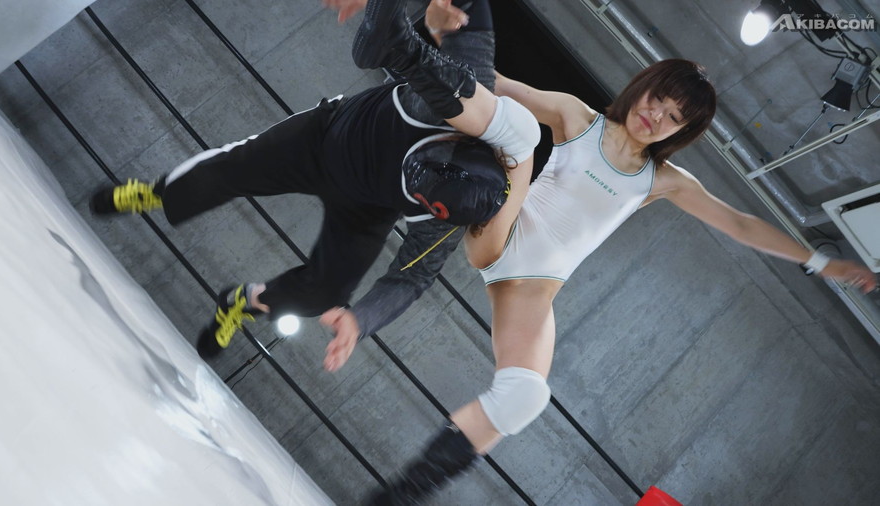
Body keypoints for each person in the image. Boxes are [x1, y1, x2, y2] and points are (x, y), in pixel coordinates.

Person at [325, 1, 880, 503]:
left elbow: (738, 222)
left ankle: (399, 496)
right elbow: (491, 83)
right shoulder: (579, 119)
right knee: (512, 127)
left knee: (524, 398)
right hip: (500, 232)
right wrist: (434, 36)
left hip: (532, 289)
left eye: (673, 117)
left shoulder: (661, 180)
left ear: (680, 131)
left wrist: (820, 261)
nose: (655, 116)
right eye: (657, 100)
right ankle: (395, 47)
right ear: (643, 87)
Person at [89, 0, 539, 367]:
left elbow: (413, 277)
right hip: (324, 140)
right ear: (454, 143)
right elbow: (470, 9)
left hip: (365, 210)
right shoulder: (463, 93)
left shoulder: (446, 222)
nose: (415, 182)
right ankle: (159, 192)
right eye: (418, 170)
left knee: (324, 295)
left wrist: (360, 322)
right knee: (230, 171)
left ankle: (244, 303)